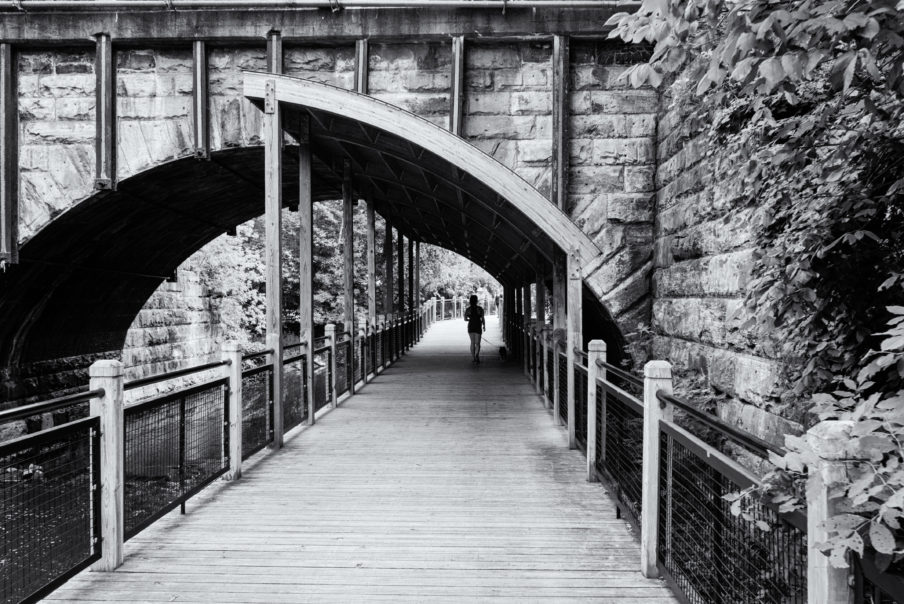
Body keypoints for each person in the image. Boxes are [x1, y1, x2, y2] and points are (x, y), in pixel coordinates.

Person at [464, 294, 486, 363]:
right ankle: (477, 355)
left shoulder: (468, 309)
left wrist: (470, 320)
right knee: (478, 343)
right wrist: (484, 325)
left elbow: (465, 319)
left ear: (470, 301)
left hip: (471, 326)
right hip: (478, 326)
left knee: (472, 342)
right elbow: (482, 318)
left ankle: (474, 358)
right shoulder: (480, 309)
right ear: (477, 301)